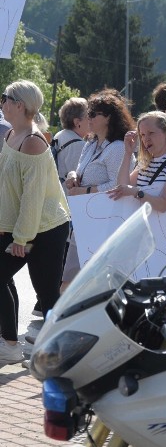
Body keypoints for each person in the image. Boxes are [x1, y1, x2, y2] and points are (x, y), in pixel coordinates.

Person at [0, 81, 71, 367]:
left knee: (48, 294)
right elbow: (7, 186)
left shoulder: (32, 141)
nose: (1, 102)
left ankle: (61, 355)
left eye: (4, 98)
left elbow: (33, 197)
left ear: (20, 105)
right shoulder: (11, 135)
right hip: (22, 227)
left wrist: (22, 239)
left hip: (46, 228)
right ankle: (10, 345)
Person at [61, 90, 135, 292]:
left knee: (92, 286)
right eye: (88, 114)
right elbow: (80, 169)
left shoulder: (118, 148)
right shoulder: (91, 142)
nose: (88, 118)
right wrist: (72, 176)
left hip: (105, 224)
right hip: (84, 220)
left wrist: (86, 191)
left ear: (109, 117)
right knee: (69, 282)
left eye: (93, 114)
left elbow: (118, 185)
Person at [107, 111, 166, 212]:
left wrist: (136, 192)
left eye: (151, 133)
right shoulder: (144, 164)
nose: (146, 139)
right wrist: (128, 153)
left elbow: (163, 205)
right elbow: (121, 188)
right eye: (142, 135)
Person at [52, 97, 87, 184]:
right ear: (77, 122)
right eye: (88, 117)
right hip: (68, 196)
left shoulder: (59, 135)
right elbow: (80, 180)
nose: (91, 121)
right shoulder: (78, 145)